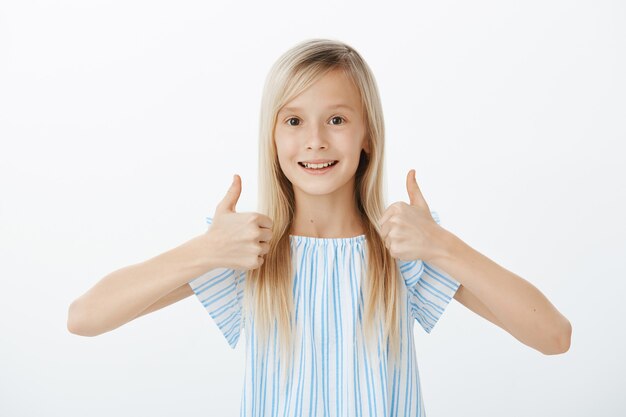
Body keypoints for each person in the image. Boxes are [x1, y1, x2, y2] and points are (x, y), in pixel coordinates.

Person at [68, 38, 572, 416]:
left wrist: (442, 246)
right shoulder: (249, 251)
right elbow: (85, 317)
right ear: (272, 137)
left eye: (336, 119)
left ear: (367, 133)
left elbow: (553, 336)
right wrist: (206, 250)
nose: (314, 141)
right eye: (293, 121)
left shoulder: (402, 248)